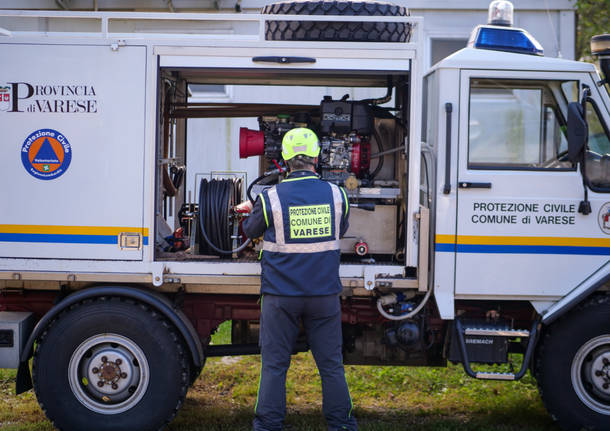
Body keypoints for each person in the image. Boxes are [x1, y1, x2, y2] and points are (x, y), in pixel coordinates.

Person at [238, 127, 357, 431]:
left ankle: (267, 427)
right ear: (317, 157)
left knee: (275, 366)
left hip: (280, 297)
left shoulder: (271, 197)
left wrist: (251, 211)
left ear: (286, 160)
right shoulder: (337, 194)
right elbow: (337, 231)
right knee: (331, 366)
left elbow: (250, 231)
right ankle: (341, 426)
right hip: (324, 296)